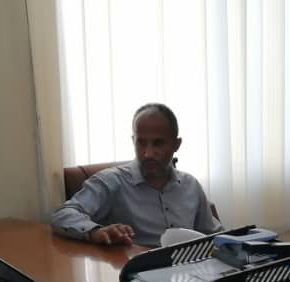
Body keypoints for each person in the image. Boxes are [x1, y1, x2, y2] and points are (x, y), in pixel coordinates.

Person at [51, 102, 222, 247]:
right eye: (141, 143)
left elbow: (214, 235)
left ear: (176, 145)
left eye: (158, 143)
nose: (148, 153)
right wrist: (95, 231)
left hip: (188, 271)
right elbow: (63, 214)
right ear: (133, 141)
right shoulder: (111, 182)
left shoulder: (190, 185)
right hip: (137, 271)